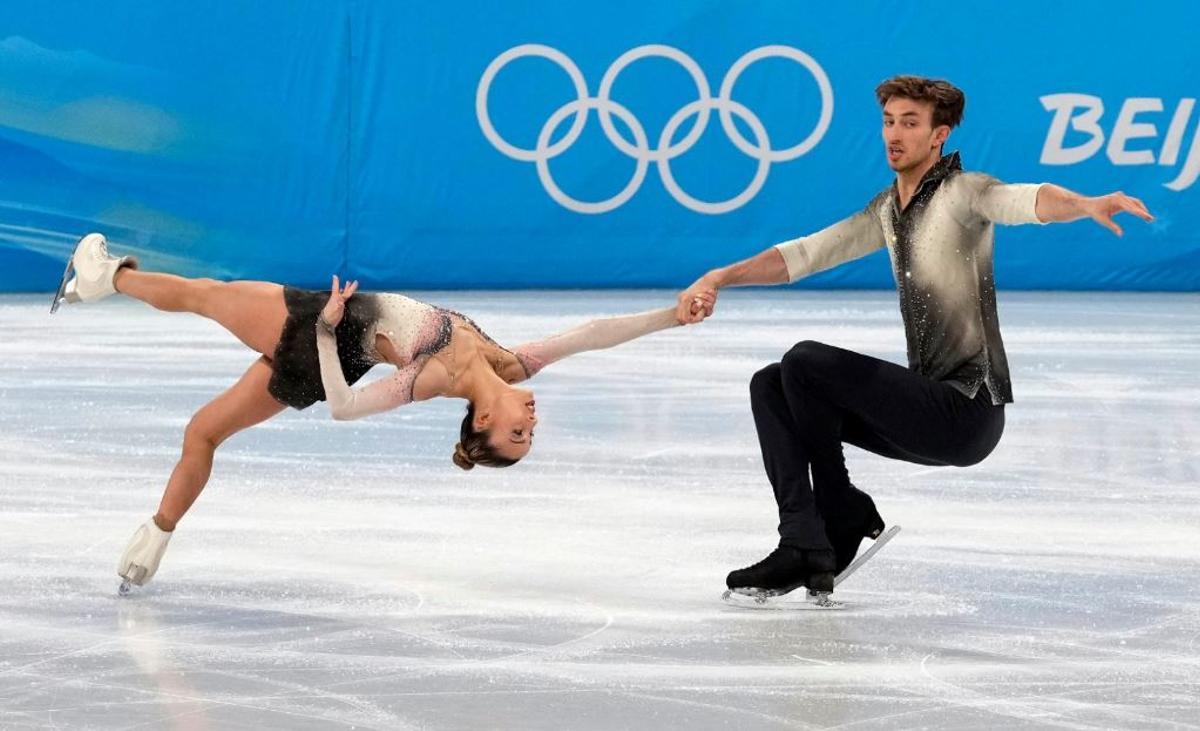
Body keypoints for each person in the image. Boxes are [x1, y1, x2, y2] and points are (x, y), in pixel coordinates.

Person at [676, 75, 1154, 599]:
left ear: (938, 136)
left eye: (910, 123)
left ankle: (838, 510)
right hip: (920, 414)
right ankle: (802, 539)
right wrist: (720, 276)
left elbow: (1023, 200)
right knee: (771, 385)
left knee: (806, 362)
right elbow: (807, 254)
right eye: (888, 122)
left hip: (966, 413)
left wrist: (1085, 204)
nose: (894, 134)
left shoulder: (963, 193)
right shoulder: (888, 210)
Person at [51, 232, 710, 589]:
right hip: (321, 356)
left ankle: (104, 275)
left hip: (318, 329)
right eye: (529, 432)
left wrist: (323, 327)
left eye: (518, 433)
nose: (531, 421)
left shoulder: (428, 379)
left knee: (204, 295)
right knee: (203, 432)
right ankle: (156, 536)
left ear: (481, 422)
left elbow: (343, 408)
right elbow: (593, 333)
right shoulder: (512, 363)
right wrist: (669, 319)